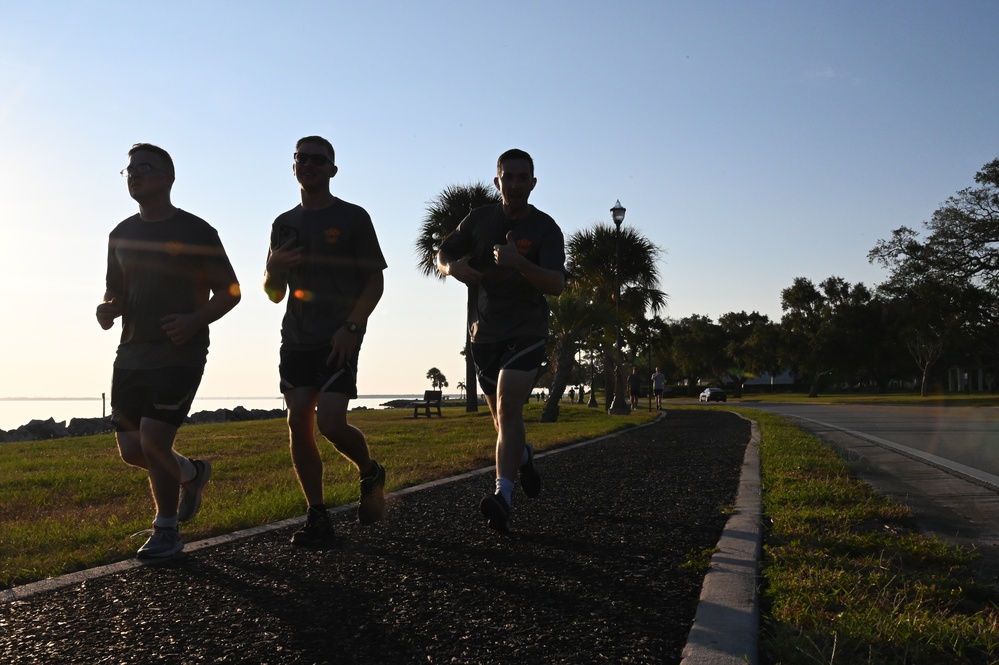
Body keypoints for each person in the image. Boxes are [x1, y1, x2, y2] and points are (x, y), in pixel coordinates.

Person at [97, 143, 241, 559]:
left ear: (168, 178)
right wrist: (108, 308)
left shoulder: (197, 232)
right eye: (129, 170)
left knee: (154, 441)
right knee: (132, 451)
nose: (135, 175)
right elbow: (117, 290)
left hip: (181, 351)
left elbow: (230, 292)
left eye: (145, 168)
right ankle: (192, 473)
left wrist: (195, 320)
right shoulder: (120, 234)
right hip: (131, 353)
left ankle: (167, 529)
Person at [264, 136, 387, 548]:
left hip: (339, 335)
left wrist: (352, 327)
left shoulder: (353, 218)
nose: (310, 165)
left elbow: (375, 281)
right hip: (296, 338)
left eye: (320, 160)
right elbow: (274, 293)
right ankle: (317, 516)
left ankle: (370, 470)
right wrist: (271, 269)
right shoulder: (283, 224)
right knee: (298, 418)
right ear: (293, 166)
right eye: (302, 158)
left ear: (333, 170)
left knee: (331, 422)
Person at [437, 148, 566, 534]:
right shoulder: (478, 220)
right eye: (506, 177)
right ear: (498, 181)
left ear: (532, 183)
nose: (513, 184)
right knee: (502, 421)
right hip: (484, 334)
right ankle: (523, 456)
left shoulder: (546, 228)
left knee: (510, 404)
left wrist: (520, 263)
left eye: (521, 177)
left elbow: (557, 284)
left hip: (526, 329)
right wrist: (452, 267)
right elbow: (443, 251)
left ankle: (502, 496)